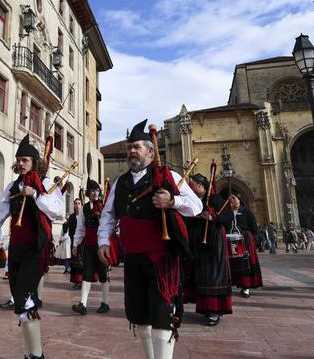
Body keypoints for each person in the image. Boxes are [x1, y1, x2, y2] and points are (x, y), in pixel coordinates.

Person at [98, 120, 203, 359]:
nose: (131, 151)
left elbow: (196, 206)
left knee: (162, 314)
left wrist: (173, 202)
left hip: (161, 258)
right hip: (133, 259)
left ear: (150, 151)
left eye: (137, 147)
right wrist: (104, 241)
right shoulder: (120, 183)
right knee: (139, 315)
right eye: (129, 147)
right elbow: (108, 215)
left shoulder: (169, 176)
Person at [0, 135, 64, 359]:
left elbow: (57, 210)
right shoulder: (13, 185)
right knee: (20, 302)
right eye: (18, 160)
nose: (21, 163)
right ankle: (31, 352)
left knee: (25, 301)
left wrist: (35, 195)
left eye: (25, 159)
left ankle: (36, 355)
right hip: (16, 249)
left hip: (36, 250)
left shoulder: (46, 184)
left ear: (35, 162)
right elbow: (0, 211)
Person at [186, 172, 234, 326]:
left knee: (214, 275)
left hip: (213, 241)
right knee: (202, 274)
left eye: (192, 185)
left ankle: (215, 310)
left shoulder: (214, 199)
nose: (190, 188)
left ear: (201, 186)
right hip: (198, 241)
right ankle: (205, 307)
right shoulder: (191, 200)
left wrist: (213, 218)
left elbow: (228, 217)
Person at [72, 179, 111, 315]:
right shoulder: (85, 208)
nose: (95, 193)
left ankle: (105, 303)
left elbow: (110, 225)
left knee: (103, 274)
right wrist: (76, 243)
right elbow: (80, 227)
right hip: (88, 245)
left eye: (97, 191)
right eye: (93, 191)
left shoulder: (104, 206)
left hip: (101, 245)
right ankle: (83, 304)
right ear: (88, 193)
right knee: (87, 273)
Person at [229, 194, 262, 298]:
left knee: (245, 262)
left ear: (239, 200)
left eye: (234, 198)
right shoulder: (227, 212)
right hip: (231, 239)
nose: (232, 201)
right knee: (233, 262)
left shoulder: (246, 211)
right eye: (230, 199)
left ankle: (246, 287)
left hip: (245, 239)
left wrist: (255, 240)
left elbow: (254, 227)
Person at [67, 199, 84, 288]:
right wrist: (74, 242)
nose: (77, 205)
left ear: (81, 205)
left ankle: (81, 281)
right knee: (75, 262)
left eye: (78, 203)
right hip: (74, 242)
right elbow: (70, 231)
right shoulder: (72, 217)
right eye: (75, 204)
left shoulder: (83, 216)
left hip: (82, 243)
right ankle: (76, 280)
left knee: (81, 262)